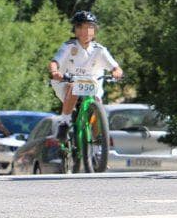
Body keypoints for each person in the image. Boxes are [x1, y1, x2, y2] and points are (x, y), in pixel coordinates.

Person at [48, 11, 124, 140]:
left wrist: (116, 73)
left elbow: (116, 67)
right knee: (74, 87)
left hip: (92, 85)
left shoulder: (99, 50)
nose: (86, 31)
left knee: (97, 107)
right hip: (66, 82)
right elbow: (54, 62)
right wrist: (55, 72)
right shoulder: (68, 46)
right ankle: (64, 122)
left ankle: (94, 144)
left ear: (94, 30)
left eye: (90, 27)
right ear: (75, 30)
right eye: (81, 27)